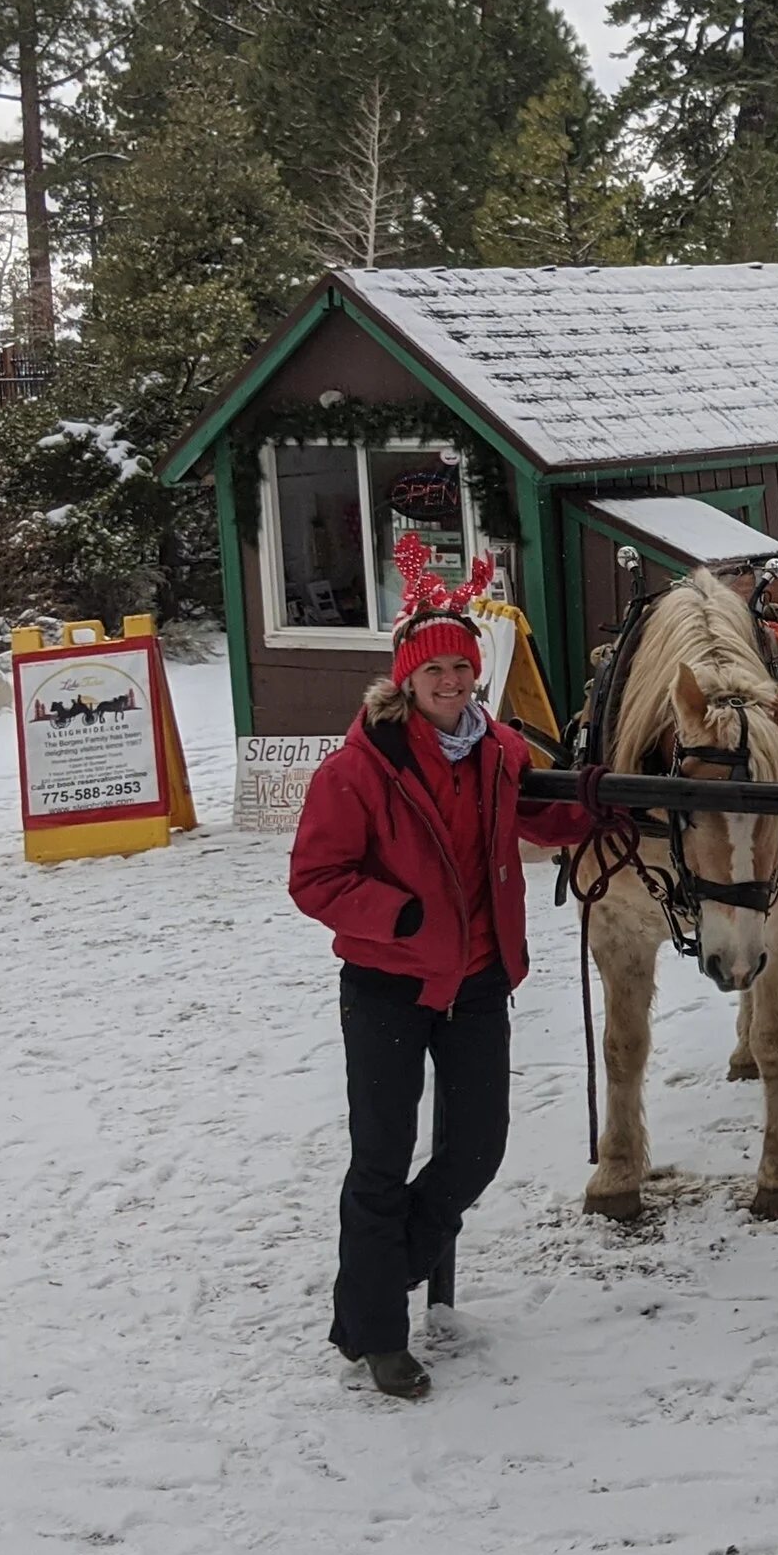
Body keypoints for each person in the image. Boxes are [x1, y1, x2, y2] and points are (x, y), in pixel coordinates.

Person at [288, 540, 587, 1400]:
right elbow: (315, 878)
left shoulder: (498, 750)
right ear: (406, 681)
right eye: (437, 672)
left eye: (463, 668)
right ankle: (382, 1334)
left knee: (477, 1150)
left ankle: (367, 1293)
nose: (452, 684)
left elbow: (545, 818)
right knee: (380, 1158)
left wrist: (604, 806)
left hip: (480, 981)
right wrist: (402, 916)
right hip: (388, 984)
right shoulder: (361, 766)